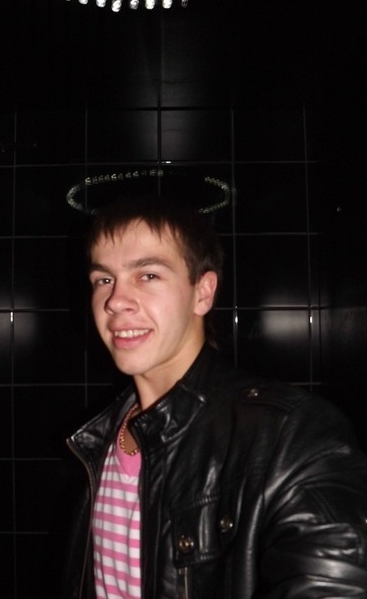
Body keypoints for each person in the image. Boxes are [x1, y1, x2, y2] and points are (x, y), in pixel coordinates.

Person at [64, 196, 367, 598]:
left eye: (148, 275)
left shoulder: (290, 435)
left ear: (203, 293)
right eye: (103, 280)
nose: (115, 301)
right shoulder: (100, 436)